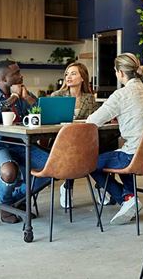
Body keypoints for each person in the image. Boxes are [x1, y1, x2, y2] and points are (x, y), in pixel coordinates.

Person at [87, 53, 143, 225]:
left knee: (90, 163)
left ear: (120, 72)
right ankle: (130, 196)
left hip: (132, 156)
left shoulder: (120, 95)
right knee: (120, 153)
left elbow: (91, 122)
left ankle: (127, 198)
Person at [0, 60, 49, 224]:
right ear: (3, 79)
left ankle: (12, 201)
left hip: (24, 144)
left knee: (54, 167)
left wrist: (28, 98)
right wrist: (13, 98)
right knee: (8, 172)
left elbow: (43, 114)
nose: (21, 76)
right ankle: (8, 205)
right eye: (16, 73)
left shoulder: (24, 93)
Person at [52, 62, 100, 208]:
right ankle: (67, 187)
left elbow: (93, 122)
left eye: (73, 73)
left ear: (83, 77)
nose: (69, 77)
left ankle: (100, 187)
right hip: (62, 142)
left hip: (83, 141)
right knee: (73, 152)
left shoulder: (89, 98)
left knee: (101, 148)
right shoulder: (57, 96)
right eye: (67, 74)